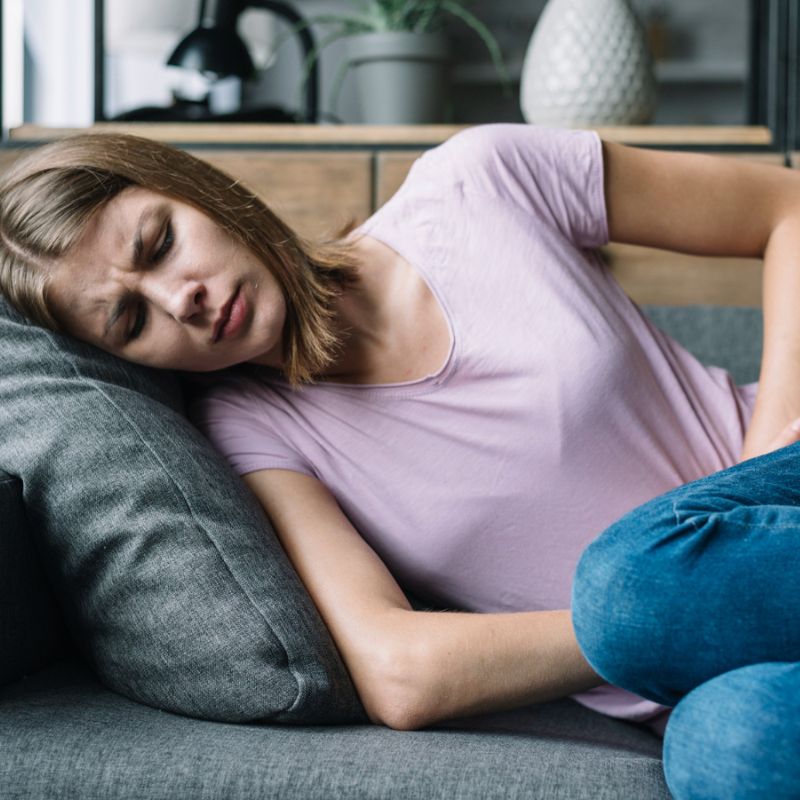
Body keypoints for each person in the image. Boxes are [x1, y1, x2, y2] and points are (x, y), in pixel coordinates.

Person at [1, 124, 799, 798]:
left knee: (632, 579)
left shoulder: (478, 180)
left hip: (782, 491)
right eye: (133, 319)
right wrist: (648, 632)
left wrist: (761, 452)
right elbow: (399, 672)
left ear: (197, 189)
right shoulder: (252, 432)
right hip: (696, 682)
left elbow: (784, 208)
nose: (183, 299)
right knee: (730, 744)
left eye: (160, 244)